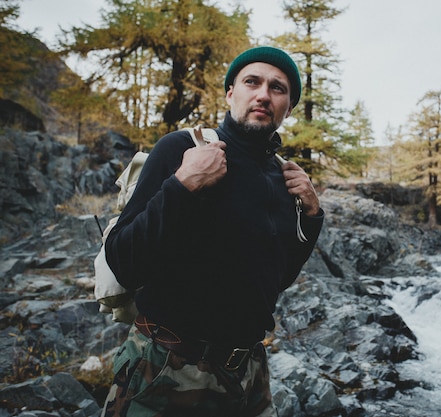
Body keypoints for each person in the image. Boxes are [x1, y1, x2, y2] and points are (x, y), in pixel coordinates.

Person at [101, 46, 324, 417]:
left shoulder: (284, 177)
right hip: (164, 370)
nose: (263, 94)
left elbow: (276, 279)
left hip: (248, 377)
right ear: (230, 93)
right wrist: (184, 183)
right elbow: (124, 261)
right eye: (252, 82)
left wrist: (312, 215)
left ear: (288, 106)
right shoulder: (182, 149)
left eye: (278, 88)